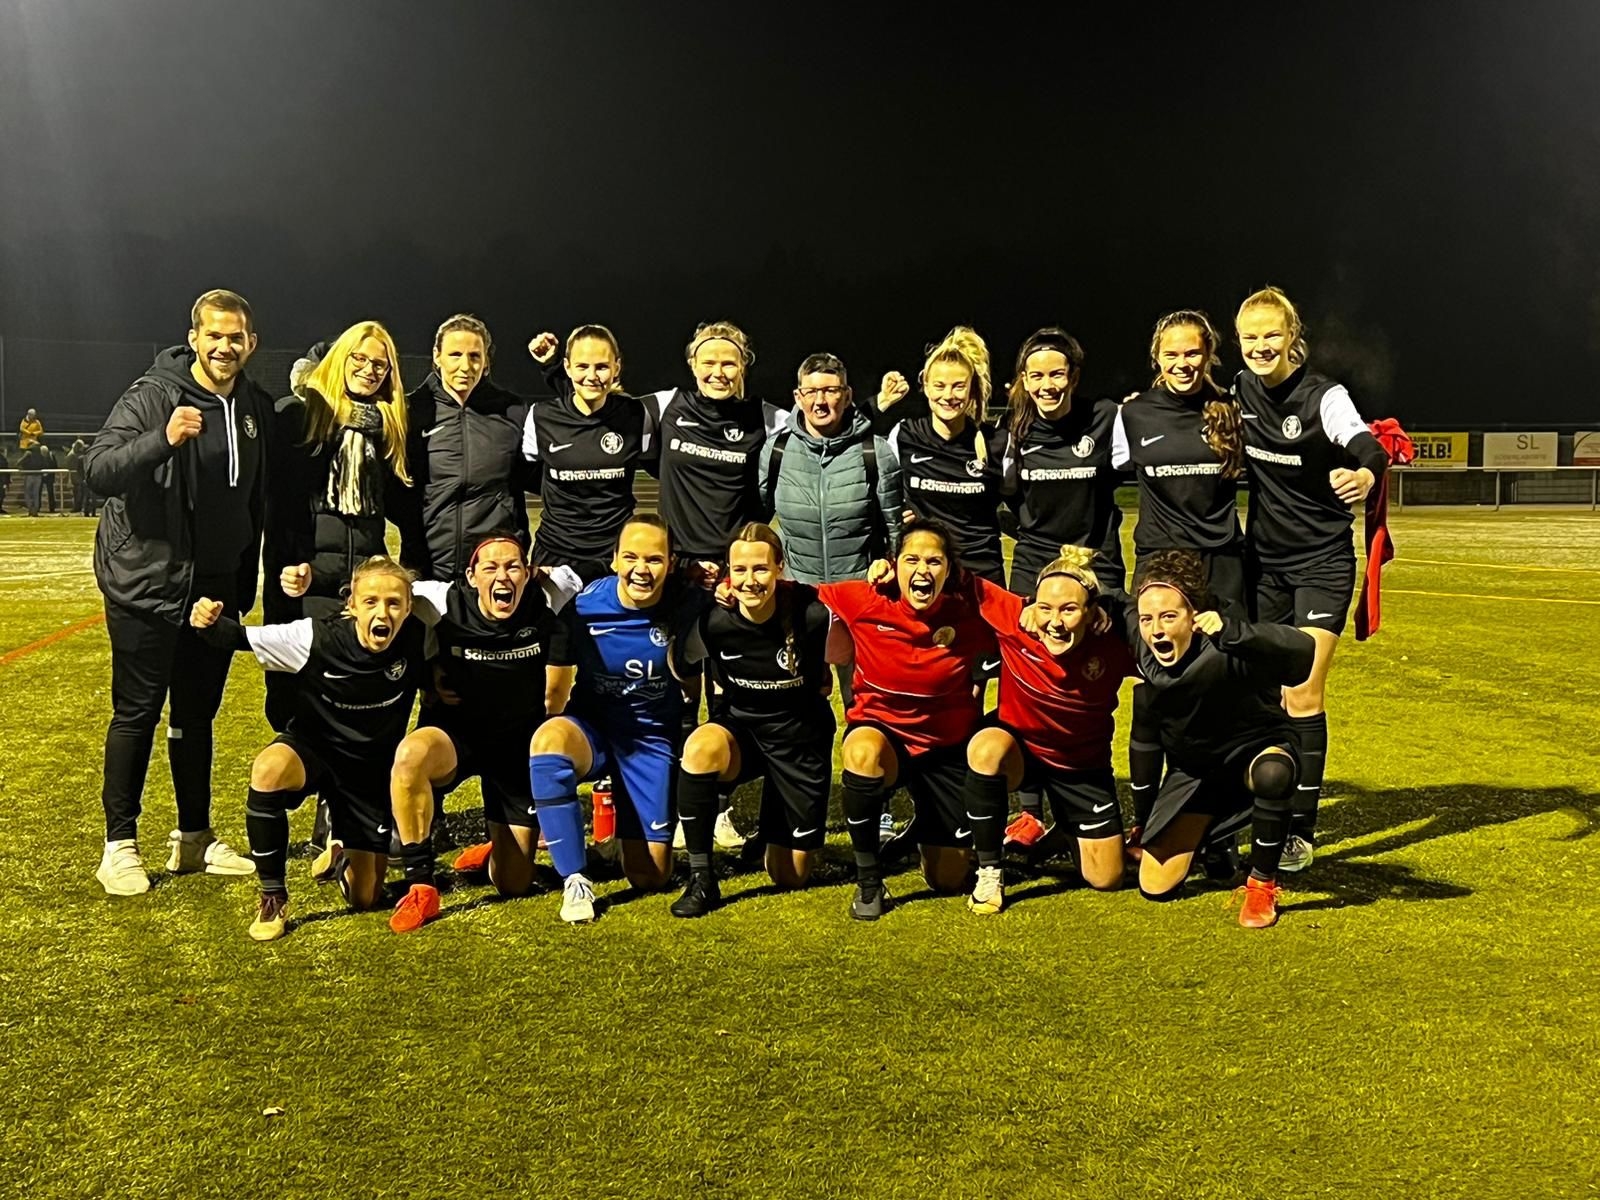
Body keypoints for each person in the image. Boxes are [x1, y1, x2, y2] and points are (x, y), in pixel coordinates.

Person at [83, 289, 268, 896]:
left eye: (235, 337)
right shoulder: (153, 394)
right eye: (214, 335)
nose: (224, 347)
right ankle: (119, 846)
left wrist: (240, 582)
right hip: (148, 583)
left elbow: (254, 500)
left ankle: (194, 838)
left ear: (251, 343)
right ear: (194, 338)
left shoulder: (253, 405)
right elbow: (98, 471)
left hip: (214, 589)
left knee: (196, 715)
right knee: (137, 713)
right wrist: (161, 439)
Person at [189, 556, 430, 940]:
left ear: (408, 607)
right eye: (370, 601)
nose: (382, 612)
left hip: (368, 774)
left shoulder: (419, 636)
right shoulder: (315, 637)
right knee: (268, 769)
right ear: (351, 604)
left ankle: (339, 849)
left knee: (366, 898)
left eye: (393, 603)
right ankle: (272, 897)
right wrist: (207, 621)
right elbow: (236, 638)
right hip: (315, 750)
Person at [1234, 286, 1391, 872]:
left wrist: (1366, 477)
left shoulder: (1324, 397)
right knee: (1261, 694)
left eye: (1271, 335)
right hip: (1262, 566)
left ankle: (1299, 830)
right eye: (1250, 337)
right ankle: (1260, 806)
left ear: (1292, 337)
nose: (1260, 347)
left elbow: (1367, 446)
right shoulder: (1240, 390)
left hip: (1321, 564)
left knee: (1302, 692)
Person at [1110, 550, 1315, 928]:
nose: (1156, 629)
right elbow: (1105, 597)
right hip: (1196, 772)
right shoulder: (1141, 637)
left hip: (1255, 754)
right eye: (1147, 618)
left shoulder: (1226, 646)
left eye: (1169, 617)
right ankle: (1214, 841)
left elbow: (1303, 652)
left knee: (1272, 775)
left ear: (1195, 616)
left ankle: (1262, 884)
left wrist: (1233, 632)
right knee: (1155, 886)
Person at [386, 534, 581, 932]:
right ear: (471, 576)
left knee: (514, 883)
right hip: (456, 737)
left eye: (513, 567)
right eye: (490, 568)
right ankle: (421, 885)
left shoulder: (548, 597)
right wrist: (426, 673)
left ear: (529, 572)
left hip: (516, 748)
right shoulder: (442, 600)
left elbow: (580, 579)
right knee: (410, 756)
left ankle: (498, 846)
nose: (502, 576)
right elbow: (387, 592)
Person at [528, 515, 710, 923]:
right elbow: (554, 690)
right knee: (548, 739)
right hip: (592, 731)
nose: (641, 569)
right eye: (630, 557)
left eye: (654, 559)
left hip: (650, 741)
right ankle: (576, 879)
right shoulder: (583, 606)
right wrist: (542, 774)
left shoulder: (690, 604)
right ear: (613, 560)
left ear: (671, 563)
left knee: (651, 876)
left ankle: (615, 844)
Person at [1111, 310, 1245, 853]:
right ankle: (1147, 821)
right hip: (1160, 565)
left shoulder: (1231, 409)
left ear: (1208, 354)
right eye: (1172, 354)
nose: (1183, 363)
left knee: (1222, 691)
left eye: (1193, 352)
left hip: (1222, 565)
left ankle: (1218, 829)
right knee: (1153, 692)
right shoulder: (1133, 414)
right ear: (1156, 357)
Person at [816, 518, 996, 919]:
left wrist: (1099, 612)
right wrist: (726, 587)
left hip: (946, 749)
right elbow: (797, 595)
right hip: (886, 739)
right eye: (911, 560)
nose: (922, 570)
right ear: (893, 564)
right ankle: (869, 882)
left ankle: (923, 826)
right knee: (860, 752)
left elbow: (1029, 615)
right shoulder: (866, 598)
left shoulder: (969, 608)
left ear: (949, 569)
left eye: (934, 561)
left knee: (947, 879)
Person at [997, 327, 1128, 847]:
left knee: (1090, 681)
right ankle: (1030, 810)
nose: (1047, 384)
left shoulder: (1106, 418)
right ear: (1023, 380)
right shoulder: (1013, 431)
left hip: (1097, 567)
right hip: (1034, 568)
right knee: (1027, 680)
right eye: (1036, 375)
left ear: (1073, 376)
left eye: (1056, 374)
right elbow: (1003, 500)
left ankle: (1089, 795)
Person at [960, 546, 1139, 912]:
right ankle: (990, 871)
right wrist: (886, 568)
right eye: (1046, 608)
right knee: (986, 748)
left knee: (1107, 879)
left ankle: (1066, 827)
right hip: (1021, 754)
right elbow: (955, 578)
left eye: (1068, 609)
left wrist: (1113, 605)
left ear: (1092, 612)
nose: (1055, 622)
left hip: (1081, 767)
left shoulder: (1115, 641)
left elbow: (1161, 624)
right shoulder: (1014, 617)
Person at [671, 524, 835, 917]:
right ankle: (701, 878)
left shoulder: (813, 616)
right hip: (744, 735)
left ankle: (771, 826)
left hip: (799, 741)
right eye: (739, 569)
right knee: (700, 748)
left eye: (760, 568)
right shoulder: (714, 621)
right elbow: (681, 664)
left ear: (780, 567)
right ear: (728, 572)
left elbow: (843, 660)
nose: (750, 580)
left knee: (790, 875)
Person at [400, 314, 537, 584]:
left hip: (493, 566)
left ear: (486, 362)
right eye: (455, 355)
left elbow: (535, 476)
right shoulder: (410, 411)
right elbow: (396, 489)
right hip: (428, 567)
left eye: (475, 356)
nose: (465, 366)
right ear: (437, 356)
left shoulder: (512, 411)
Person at [645, 321, 787, 575]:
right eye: (709, 363)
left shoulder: (765, 418)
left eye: (728, 364)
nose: (718, 373)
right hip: (677, 563)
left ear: (742, 366)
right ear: (693, 365)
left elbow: (820, 425)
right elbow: (606, 411)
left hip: (737, 565)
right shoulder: (666, 406)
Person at [523, 325, 655, 581]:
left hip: (614, 555)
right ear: (567, 367)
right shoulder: (541, 417)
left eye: (602, 367)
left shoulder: (636, 415)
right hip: (555, 553)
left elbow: (657, 465)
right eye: (582, 366)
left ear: (617, 367)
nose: (592, 376)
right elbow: (525, 472)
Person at [882, 327, 1012, 585]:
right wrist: (879, 404)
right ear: (926, 387)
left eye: (958, 386)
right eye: (939, 386)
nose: (948, 396)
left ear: (972, 389)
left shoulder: (996, 442)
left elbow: (1023, 507)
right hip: (925, 576)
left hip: (981, 577)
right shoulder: (905, 435)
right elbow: (879, 494)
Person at [18, 441, 45, 517]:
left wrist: (22, 467)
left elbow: (19, 462)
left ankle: (30, 509)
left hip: (29, 475)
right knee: (36, 494)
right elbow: (44, 463)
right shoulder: (40, 453)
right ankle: (35, 510)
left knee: (27, 493)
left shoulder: (28, 452)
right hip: (38, 476)